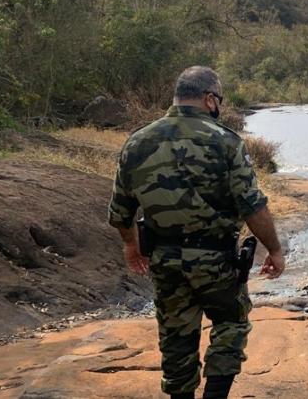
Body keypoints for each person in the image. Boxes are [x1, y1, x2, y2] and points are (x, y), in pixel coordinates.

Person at [108, 66, 286, 399]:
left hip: (165, 260)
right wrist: (274, 249)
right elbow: (253, 206)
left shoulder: (138, 142)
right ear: (208, 99)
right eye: (218, 99)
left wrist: (130, 245)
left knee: (176, 337)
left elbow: (120, 211)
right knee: (231, 324)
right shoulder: (226, 141)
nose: (219, 105)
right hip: (216, 260)